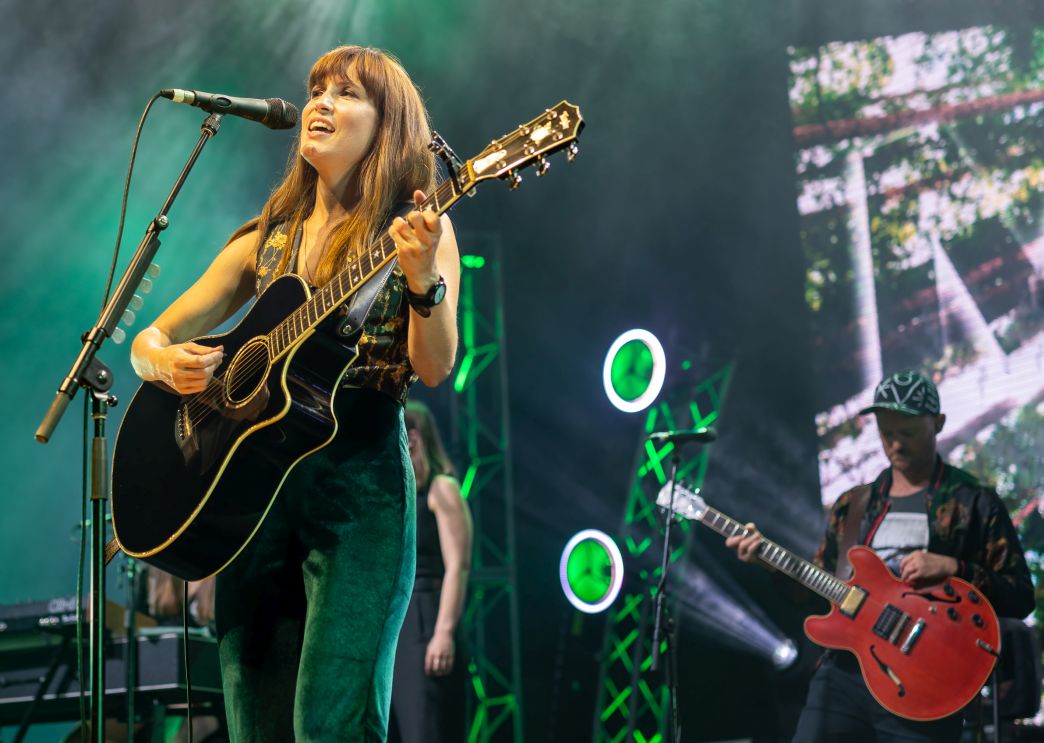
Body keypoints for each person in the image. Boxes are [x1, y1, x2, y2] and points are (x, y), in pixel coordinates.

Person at [129, 44, 460, 742]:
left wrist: (423, 278)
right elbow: (151, 336)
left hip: (359, 495)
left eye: (346, 94)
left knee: (331, 723)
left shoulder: (418, 229)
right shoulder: (269, 237)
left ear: (387, 123)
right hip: (250, 497)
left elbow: (435, 368)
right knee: (255, 724)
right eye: (317, 90)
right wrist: (161, 361)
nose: (321, 102)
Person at [727, 370, 1034, 743]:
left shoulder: (974, 502)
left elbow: (1020, 595)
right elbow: (814, 592)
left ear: (937, 424)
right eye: (886, 432)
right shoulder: (853, 505)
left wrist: (955, 568)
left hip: (923, 681)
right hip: (843, 676)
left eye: (907, 433)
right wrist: (766, 563)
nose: (895, 445)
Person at [389, 400, 473, 743]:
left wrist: (444, 632)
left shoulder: (443, 488)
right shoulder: (402, 496)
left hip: (426, 617)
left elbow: (459, 566)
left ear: (414, 438)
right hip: (400, 622)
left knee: (425, 730)